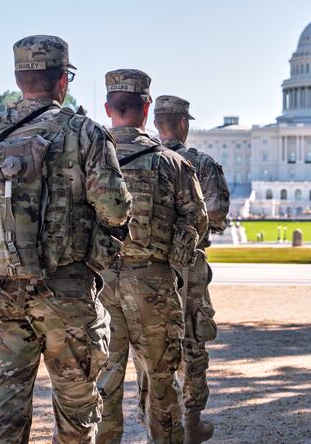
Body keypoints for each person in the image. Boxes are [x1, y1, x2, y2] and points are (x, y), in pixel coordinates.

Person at [0, 35, 132, 443]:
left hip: (1, 294)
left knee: (5, 416)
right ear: (64, 80)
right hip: (68, 293)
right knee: (77, 416)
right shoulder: (85, 134)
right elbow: (115, 208)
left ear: (19, 77)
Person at [96, 71, 208, 444]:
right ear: (146, 109)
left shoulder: (87, 158)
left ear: (108, 108)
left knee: (102, 382)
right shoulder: (172, 164)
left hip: (98, 285)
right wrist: (170, 261)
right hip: (153, 284)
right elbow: (197, 222)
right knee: (161, 383)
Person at [152, 94, 230, 444]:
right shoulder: (201, 163)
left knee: (149, 344)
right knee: (193, 340)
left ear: (157, 122)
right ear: (184, 123)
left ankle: (152, 417)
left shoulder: (138, 159)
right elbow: (216, 215)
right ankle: (191, 419)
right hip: (189, 266)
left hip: (145, 267)